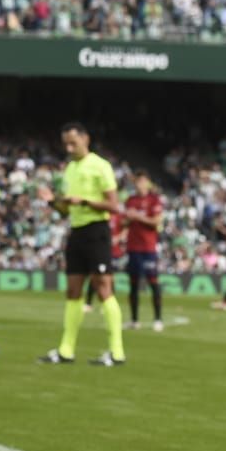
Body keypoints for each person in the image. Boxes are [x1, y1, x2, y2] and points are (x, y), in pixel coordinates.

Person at [35, 123, 126, 366]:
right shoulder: (69, 169)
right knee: (73, 291)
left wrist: (84, 201)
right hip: (76, 231)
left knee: (103, 288)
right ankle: (66, 350)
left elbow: (114, 206)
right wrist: (52, 201)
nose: (69, 147)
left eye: (73, 142)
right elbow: (65, 211)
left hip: (97, 231)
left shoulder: (100, 166)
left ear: (86, 138)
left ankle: (117, 352)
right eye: (66, 143)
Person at [122, 171, 166, 332]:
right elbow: (124, 222)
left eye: (142, 180)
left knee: (153, 283)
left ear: (148, 182)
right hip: (133, 248)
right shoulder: (130, 200)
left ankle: (158, 319)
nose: (139, 184)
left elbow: (156, 221)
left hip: (148, 248)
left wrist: (138, 217)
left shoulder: (154, 200)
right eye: (137, 181)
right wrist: (128, 218)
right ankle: (134, 320)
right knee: (133, 285)